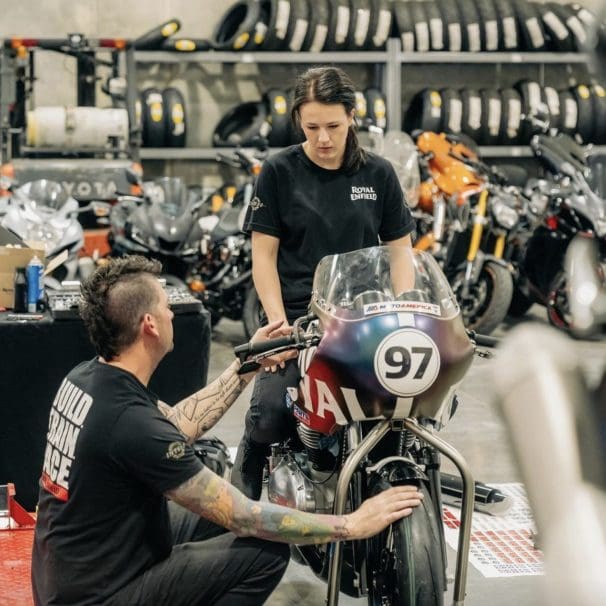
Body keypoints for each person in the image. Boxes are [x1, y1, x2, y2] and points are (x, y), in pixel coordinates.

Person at [30, 255, 423, 606]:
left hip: (73, 575)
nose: (171, 314)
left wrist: (246, 365)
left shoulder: (88, 378)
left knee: (214, 499)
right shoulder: (128, 422)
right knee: (265, 554)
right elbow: (246, 517)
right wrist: (352, 524)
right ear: (148, 324)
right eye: (166, 306)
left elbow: (178, 425)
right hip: (100, 595)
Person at [231, 66, 416, 499]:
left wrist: (405, 309)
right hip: (299, 318)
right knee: (271, 414)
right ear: (298, 121)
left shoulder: (379, 174)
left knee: (399, 414)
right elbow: (264, 255)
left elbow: (400, 251)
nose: (324, 138)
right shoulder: (278, 171)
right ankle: (251, 457)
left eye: (333, 125)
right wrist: (278, 324)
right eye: (312, 127)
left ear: (352, 116)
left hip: (365, 318)